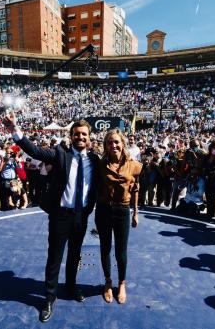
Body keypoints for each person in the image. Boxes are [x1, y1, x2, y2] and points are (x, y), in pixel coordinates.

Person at [3, 112, 99, 323]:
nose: (80, 137)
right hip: (61, 216)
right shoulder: (60, 154)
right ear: (71, 136)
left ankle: (71, 287)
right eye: (77, 134)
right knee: (54, 257)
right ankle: (49, 297)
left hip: (81, 216)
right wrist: (15, 131)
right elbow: (34, 151)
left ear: (89, 137)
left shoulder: (94, 160)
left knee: (75, 255)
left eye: (84, 134)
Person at [96, 129, 142, 304]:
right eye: (110, 142)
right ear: (106, 146)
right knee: (105, 247)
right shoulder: (100, 164)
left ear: (123, 143)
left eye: (116, 142)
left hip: (123, 210)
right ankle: (108, 282)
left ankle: (122, 283)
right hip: (103, 210)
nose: (113, 145)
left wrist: (136, 212)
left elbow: (136, 189)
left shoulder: (135, 165)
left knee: (121, 251)